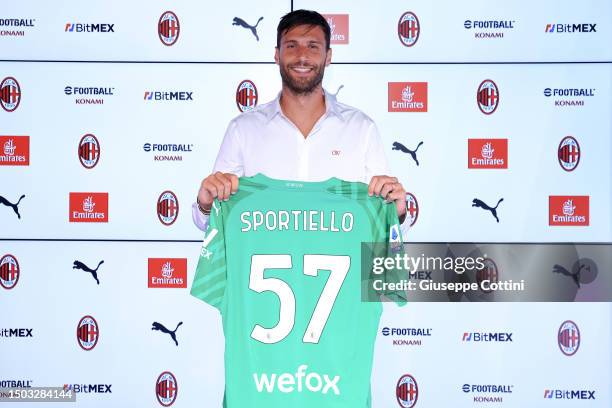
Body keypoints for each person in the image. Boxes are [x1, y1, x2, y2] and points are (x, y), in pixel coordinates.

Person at [192, 9, 409, 235]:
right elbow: (209, 223)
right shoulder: (243, 129)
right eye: (292, 45)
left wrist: (399, 212)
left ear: (328, 56)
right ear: (277, 55)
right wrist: (205, 205)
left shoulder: (362, 128)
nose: (302, 56)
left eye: (313, 46)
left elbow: (390, 227)